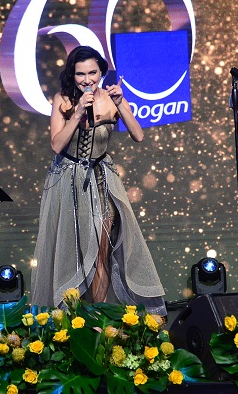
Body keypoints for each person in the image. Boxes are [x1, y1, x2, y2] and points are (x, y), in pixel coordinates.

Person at [30, 45, 166, 315]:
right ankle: (72, 320)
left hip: (101, 180)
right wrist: (77, 112)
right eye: (80, 74)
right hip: (68, 182)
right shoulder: (62, 100)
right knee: (73, 254)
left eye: (92, 73)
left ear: (101, 72)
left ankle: (97, 318)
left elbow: (138, 135)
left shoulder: (110, 97)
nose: (87, 79)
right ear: (72, 74)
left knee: (101, 252)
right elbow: (56, 145)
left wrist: (120, 103)